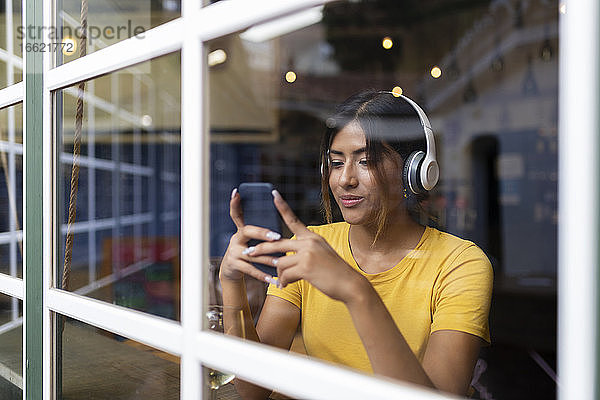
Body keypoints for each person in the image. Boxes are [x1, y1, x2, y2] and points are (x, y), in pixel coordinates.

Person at [219, 90, 493, 398]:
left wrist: (356, 291)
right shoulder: (312, 245)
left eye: (366, 161)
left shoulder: (460, 263)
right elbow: (252, 388)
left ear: (414, 171)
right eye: (336, 163)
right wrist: (232, 283)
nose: (345, 179)